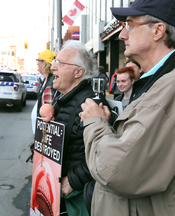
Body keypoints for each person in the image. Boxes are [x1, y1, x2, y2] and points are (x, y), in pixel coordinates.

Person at [80, 0, 175, 215]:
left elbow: (115, 170)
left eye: (130, 25)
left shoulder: (169, 88)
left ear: (158, 31)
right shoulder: (156, 81)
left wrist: (94, 122)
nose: (122, 35)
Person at [50, 40, 112, 216]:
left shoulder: (93, 106)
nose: (53, 67)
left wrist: (72, 181)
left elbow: (106, 156)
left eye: (60, 63)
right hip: (58, 193)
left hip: (78, 197)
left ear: (78, 72)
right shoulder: (62, 99)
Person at [36, 50, 57, 115]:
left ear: (44, 63)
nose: (37, 63)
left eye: (38, 60)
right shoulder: (47, 80)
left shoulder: (50, 85)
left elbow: (47, 115)